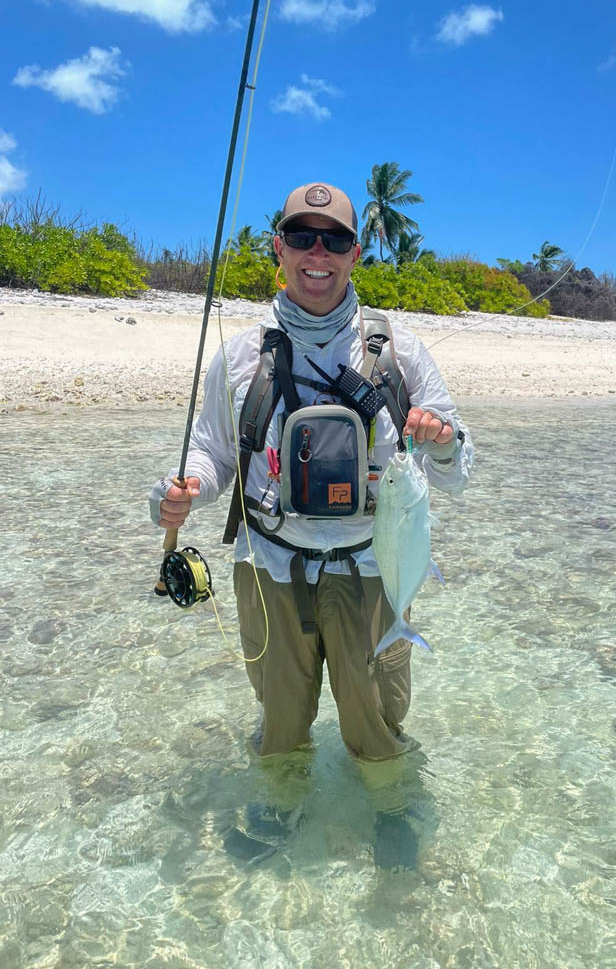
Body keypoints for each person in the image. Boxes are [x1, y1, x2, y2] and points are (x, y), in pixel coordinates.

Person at [150, 182, 473, 868]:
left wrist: (442, 440)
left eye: (334, 240)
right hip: (270, 566)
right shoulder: (242, 355)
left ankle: (390, 807)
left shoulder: (402, 354)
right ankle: (281, 803)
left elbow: (456, 469)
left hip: (372, 567)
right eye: (302, 237)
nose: (317, 254)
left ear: (356, 252)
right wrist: (186, 489)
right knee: (279, 717)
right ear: (279, 248)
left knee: (377, 719)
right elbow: (211, 452)